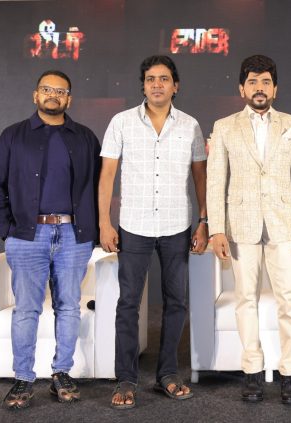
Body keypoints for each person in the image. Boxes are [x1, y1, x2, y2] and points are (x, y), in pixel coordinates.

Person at [98, 55, 208, 409]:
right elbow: (107, 175)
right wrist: (104, 222)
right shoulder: (121, 122)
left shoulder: (190, 125)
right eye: (150, 79)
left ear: (175, 86)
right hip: (134, 226)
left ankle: (167, 374)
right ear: (143, 86)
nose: (157, 84)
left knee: (176, 302)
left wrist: (204, 221)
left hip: (177, 225)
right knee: (128, 303)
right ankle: (126, 379)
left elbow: (201, 177)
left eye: (163, 79)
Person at [0, 70, 101, 409]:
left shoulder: (85, 137)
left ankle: (61, 373)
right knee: (26, 308)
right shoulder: (13, 136)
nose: (54, 95)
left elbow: (99, 186)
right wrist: (6, 227)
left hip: (73, 235)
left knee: (68, 306)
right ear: (36, 95)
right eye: (47, 89)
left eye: (61, 91)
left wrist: (93, 229)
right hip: (27, 235)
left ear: (69, 99)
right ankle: (23, 378)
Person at [207, 54, 291, 404]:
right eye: (252, 82)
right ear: (242, 88)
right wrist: (217, 229)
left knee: (289, 299)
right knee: (245, 299)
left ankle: (290, 373)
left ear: (275, 89)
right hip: (241, 225)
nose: (259, 88)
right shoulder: (225, 126)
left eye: (265, 82)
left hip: (284, 225)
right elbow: (215, 181)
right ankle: (252, 371)